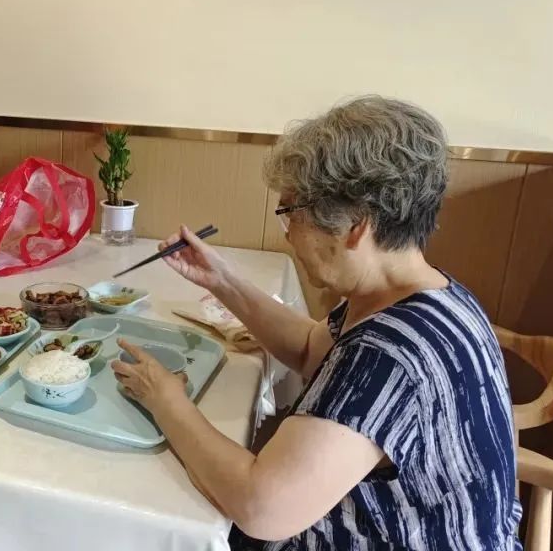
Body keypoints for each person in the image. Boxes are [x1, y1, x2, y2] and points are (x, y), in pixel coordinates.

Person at [112, 96, 522, 549]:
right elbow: (311, 348)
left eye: (291, 211)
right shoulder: (424, 295)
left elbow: (262, 507)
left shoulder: (389, 353)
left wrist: (166, 400)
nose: (288, 232)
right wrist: (223, 279)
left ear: (356, 225)